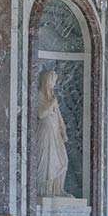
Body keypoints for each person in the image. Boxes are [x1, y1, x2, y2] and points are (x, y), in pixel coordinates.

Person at [35, 69, 70, 198]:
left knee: (63, 160)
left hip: (56, 134)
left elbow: (59, 115)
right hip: (45, 134)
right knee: (48, 163)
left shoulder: (52, 97)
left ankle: (58, 189)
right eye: (53, 80)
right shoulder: (39, 96)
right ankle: (46, 191)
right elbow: (40, 114)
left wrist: (63, 129)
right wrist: (52, 104)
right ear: (47, 81)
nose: (54, 84)